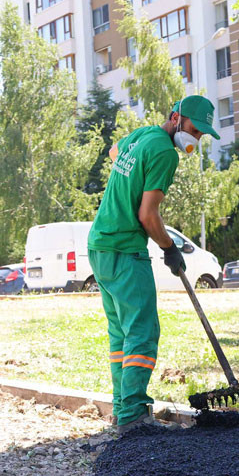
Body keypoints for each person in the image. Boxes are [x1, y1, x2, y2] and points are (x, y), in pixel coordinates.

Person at [87, 95, 219, 432]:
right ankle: (133, 415)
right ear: (176, 118)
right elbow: (148, 215)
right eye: (195, 129)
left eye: (203, 134)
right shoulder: (163, 152)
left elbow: (115, 153)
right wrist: (170, 247)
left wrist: (127, 183)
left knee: (122, 333)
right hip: (125, 248)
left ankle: (122, 408)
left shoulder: (142, 135)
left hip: (100, 244)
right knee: (143, 332)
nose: (197, 138)